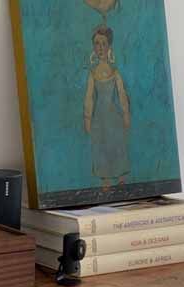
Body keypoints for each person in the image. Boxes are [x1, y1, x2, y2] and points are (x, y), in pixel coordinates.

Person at [83, 25, 131, 190]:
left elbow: (122, 94)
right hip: (98, 119)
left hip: (114, 118)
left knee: (116, 145)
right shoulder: (93, 74)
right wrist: (87, 118)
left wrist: (126, 114)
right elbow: (89, 98)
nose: (100, 48)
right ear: (93, 47)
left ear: (109, 46)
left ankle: (121, 178)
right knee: (101, 146)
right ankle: (106, 181)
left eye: (104, 43)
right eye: (97, 43)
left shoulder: (115, 72)